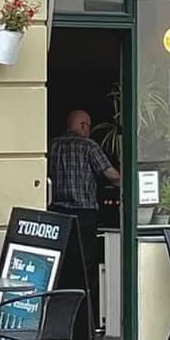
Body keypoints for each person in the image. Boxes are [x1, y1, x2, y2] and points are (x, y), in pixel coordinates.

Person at [47, 109, 121, 320]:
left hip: (57, 214)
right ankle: (84, 319)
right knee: (85, 268)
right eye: (88, 126)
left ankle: (60, 318)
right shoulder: (89, 146)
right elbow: (111, 175)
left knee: (62, 267)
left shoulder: (52, 145)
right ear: (82, 125)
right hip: (84, 214)